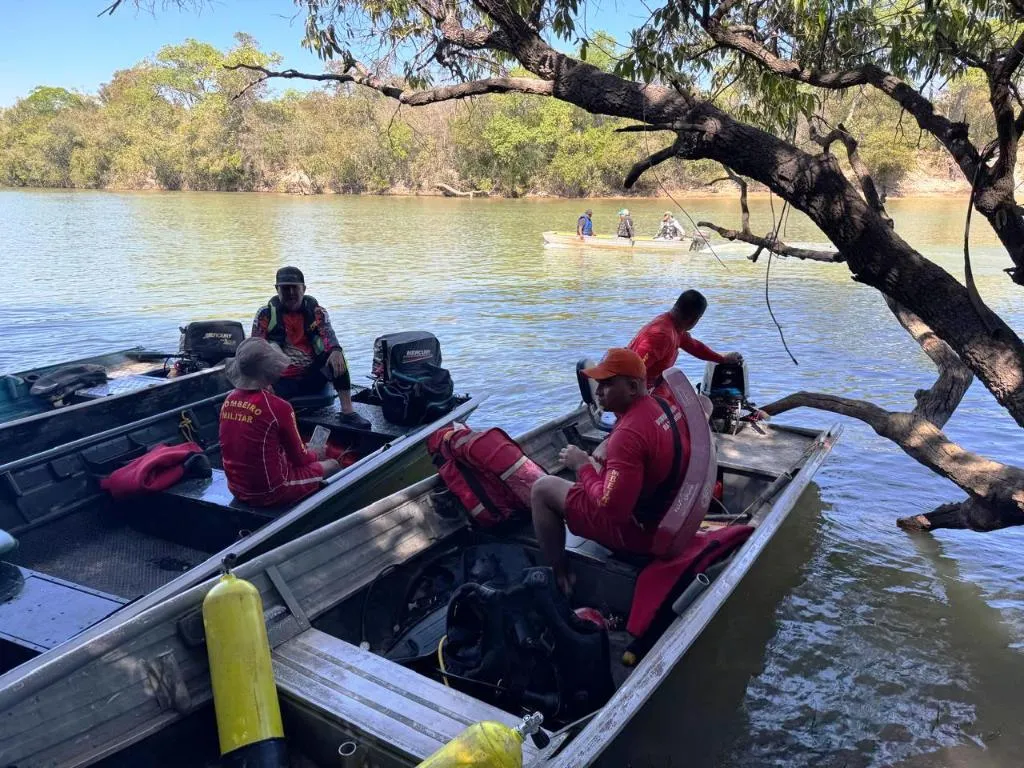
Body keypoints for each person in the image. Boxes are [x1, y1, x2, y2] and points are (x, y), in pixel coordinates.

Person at [531, 348, 688, 594]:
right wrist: (607, 447)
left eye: (607, 384)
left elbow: (612, 510)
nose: (598, 391)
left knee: (542, 489)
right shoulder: (663, 405)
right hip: (669, 508)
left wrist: (581, 465)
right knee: (595, 466)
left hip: (643, 533)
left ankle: (561, 577)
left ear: (632, 387)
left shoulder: (627, 436)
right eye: (598, 383)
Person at [219, 337, 340, 508]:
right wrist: (315, 453)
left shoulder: (229, 400)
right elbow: (300, 458)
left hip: (236, 488)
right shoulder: (279, 407)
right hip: (272, 491)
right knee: (333, 465)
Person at [252, 266, 371, 429]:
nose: (291, 293)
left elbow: (329, 336)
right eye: (285, 288)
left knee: (337, 357)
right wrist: (262, 379)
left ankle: (347, 412)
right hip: (281, 379)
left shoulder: (317, 312)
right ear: (277, 289)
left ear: (304, 289)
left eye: (295, 288)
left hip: (312, 376)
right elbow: (254, 348)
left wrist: (336, 350)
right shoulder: (265, 314)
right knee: (258, 381)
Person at [628, 289, 742, 399]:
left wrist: (722, 359)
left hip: (651, 389)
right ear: (694, 319)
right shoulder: (662, 336)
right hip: (635, 395)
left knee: (701, 402)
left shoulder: (674, 326)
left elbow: (695, 347)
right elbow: (631, 372)